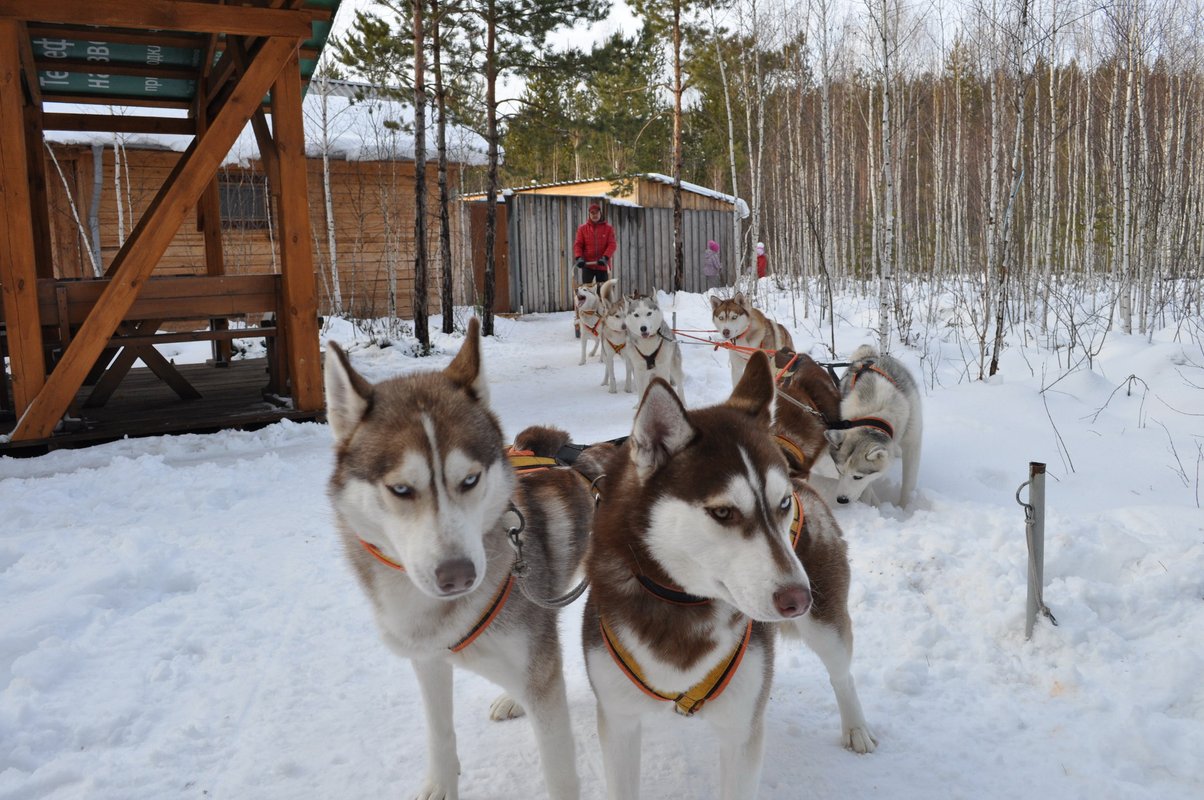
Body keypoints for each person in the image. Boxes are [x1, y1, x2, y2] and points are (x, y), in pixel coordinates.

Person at [573, 202, 616, 285]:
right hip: (587, 265)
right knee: (587, 291)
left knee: (602, 291)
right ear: (589, 214)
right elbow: (578, 244)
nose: (594, 215)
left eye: (596, 213)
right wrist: (579, 258)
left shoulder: (608, 229)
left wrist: (605, 257)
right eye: (592, 213)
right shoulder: (582, 229)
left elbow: (612, 244)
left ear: (600, 213)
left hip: (602, 265)